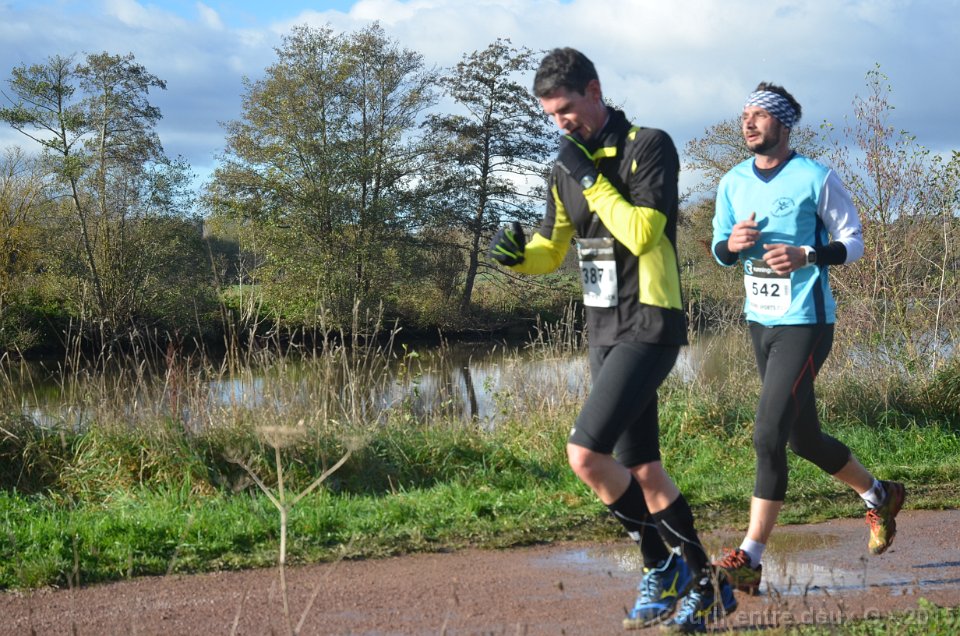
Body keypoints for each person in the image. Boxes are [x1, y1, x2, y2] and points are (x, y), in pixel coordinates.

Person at [489, 47, 736, 633]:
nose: (561, 124)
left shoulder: (649, 146)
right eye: (551, 116)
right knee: (643, 468)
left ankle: (662, 565)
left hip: (650, 321)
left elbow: (644, 232)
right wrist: (517, 258)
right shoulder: (565, 167)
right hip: (603, 328)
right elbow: (553, 248)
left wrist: (589, 177)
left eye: (567, 109)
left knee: (585, 455)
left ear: (595, 91)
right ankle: (704, 585)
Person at [710, 82, 906, 595]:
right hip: (760, 321)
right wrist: (731, 245)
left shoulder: (815, 178)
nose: (748, 123)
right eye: (745, 115)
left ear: (783, 124)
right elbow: (719, 248)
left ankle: (750, 558)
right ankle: (879, 495)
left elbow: (853, 242)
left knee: (767, 435)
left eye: (759, 115)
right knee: (804, 439)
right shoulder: (732, 181)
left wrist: (807, 255)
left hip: (806, 322)